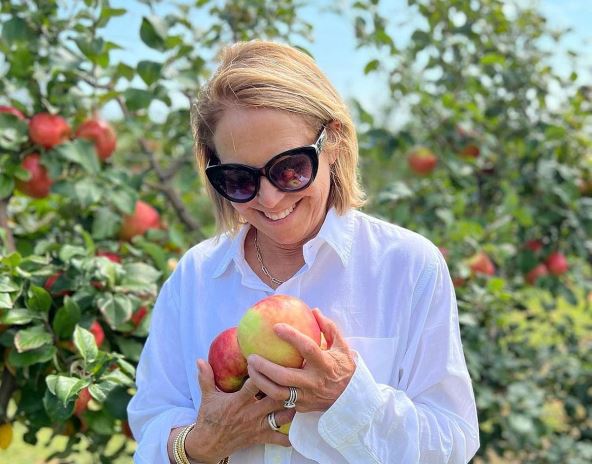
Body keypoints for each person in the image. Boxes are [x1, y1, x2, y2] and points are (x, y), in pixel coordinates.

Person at [127, 40, 480, 464]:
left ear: (333, 142)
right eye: (239, 179)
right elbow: (151, 420)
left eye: (290, 169)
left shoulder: (406, 266)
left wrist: (348, 396)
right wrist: (200, 445)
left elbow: (453, 441)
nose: (270, 199)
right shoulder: (196, 276)